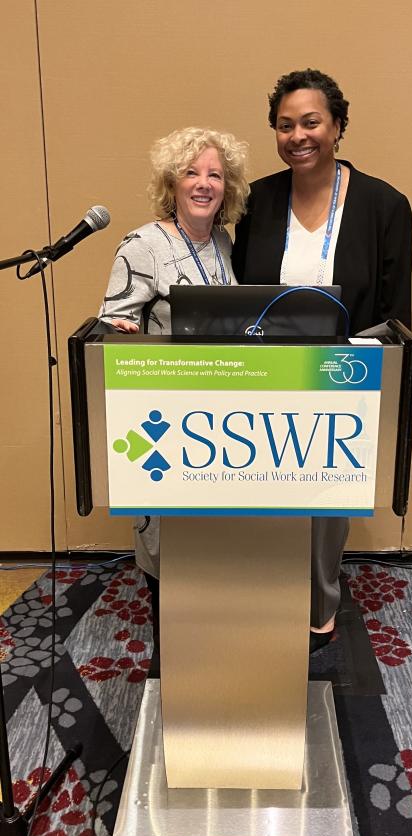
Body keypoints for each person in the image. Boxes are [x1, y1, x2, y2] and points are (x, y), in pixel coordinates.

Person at [232, 68, 412, 652]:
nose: (297, 136)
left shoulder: (385, 204)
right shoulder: (258, 199)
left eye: (311, 122)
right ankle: (260, 596)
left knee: (324, 503)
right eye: (285, 126)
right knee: (261, 491)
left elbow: (393, 311)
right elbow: (234, 289)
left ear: (337, 126)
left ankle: (317, 609)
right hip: (264, 374)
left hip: (341, 375)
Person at [99, 126, 249, 651]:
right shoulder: (144, 245)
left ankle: (209, 642)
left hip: (220, 420)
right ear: (172, 182)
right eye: (192, 172)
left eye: (215, 174)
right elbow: (112, 326)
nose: (204, 183)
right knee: (166, 536)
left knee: (211, 536)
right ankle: (169, 652)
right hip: (163, 419)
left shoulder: (225, 244)